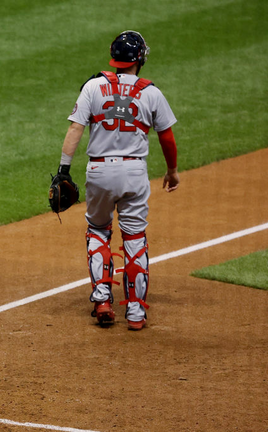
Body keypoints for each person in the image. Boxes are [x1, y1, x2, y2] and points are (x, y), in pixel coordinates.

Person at [54, 31, 179, 331]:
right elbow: (167, 136)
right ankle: (135, 311)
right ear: (141, 59)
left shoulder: (93, 87)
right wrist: (172, 170)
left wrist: (64, 170)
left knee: (98, 229)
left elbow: (75, 130)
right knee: (134, 237)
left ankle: (102, 299)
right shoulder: (151, 92)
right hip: (134, 173)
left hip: (99, 172)